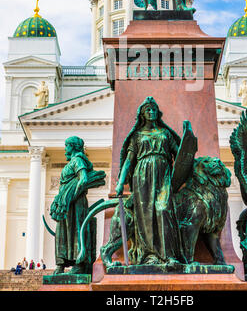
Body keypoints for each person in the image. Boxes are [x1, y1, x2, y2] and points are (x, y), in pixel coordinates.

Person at [116, 96, 186, 265]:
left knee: (164, 210)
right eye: (148, 109)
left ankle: (168, 254)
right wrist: (120, 182)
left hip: (163, 174)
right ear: (142, 114)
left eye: (154, 109)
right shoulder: (138, 135)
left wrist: (187, 143)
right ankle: (150, 255)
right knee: (146, 215)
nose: (151, 111)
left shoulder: (165, 133)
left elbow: (180, 154)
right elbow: (129, 160)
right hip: (143, 175)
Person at [50, 136, 105, 274]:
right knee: (63, 232)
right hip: (67, 204)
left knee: (77, 230)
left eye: (66, 146)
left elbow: (83, 179)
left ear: (73, 146)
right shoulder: (72, 162)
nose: (65, 149)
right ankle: (61, 264)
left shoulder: (78, 160)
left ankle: (80, 264)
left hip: (76, 202)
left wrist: (71, 196)